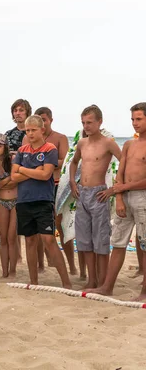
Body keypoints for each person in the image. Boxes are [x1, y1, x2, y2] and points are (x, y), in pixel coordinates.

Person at [86, 103, 146, 300]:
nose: (134, 123)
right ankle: (107, 287)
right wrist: (119, 197)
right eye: (132, 119)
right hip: (125, 196)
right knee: (118, 242)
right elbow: (120, 172)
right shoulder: (129, 144)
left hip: (142, 197)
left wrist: (124, 188)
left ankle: (144, 291)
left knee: (144, 244)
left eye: (139, 119)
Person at [11, 115, 72, 289]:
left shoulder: (49, 148)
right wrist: (31, 170)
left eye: (33, 130)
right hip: (24, 201)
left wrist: (24, 171)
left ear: (42, 130)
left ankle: (66, 283)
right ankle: (34, 281)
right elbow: (13, 177)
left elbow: (46, 174)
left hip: (43, 200)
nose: (29, 133)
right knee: (30, 241)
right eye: (27, 130)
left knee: (49, 239)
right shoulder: (22, 150)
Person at [69, 105, 121, 289]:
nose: (86, 126)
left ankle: (103, 281)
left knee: (101, 240)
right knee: (84, 240)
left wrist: (114, 189)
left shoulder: (108, 143)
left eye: (89, 122)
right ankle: (91, 280)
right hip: (82, 194)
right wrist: (73, 183)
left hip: (99, 194)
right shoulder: (82, 143)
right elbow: (74, 162)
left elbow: (124, 163)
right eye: (83, 122)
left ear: (100, 121)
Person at [23, 107, 75, 275]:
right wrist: (44, 164)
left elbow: (65, 161)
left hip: (57, 184)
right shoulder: (28, 138)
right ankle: (41, 265)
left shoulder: (59, 138)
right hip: (35, 186)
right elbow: (23, 162)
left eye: (44, 119)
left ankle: (71, 266)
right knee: (37, 231)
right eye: (40, 119)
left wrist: (45, 163)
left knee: (60, 226)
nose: (42, 122)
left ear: (50, 120)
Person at [0, 133, 18, 278]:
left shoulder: (12, 159)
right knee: (3, 238)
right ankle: (4, 271)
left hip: (15, 201)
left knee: (12, 237)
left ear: (5, 147)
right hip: (1, 202)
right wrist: (6, 180)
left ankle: (12, 270)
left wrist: (1, 183)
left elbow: (16, 180)